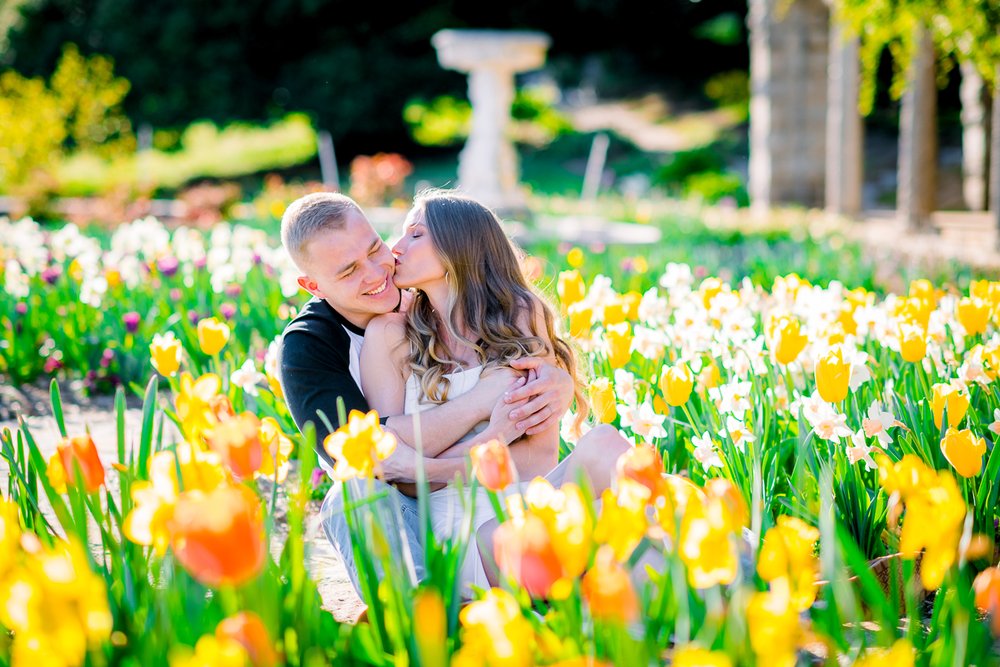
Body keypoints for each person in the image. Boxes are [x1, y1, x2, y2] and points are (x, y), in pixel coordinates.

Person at [278, 192, 628, 603]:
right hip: (429, 520)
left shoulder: (504, 315)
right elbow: (381, 465)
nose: (380, 267)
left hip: (524, 499)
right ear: (313, 285)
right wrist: (488, 414)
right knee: (351, 494)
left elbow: (535, 455)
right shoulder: (323, 345)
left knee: (613, 457)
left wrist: (560, 380)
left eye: (376, 246)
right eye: (350, 270)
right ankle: (417, 618)